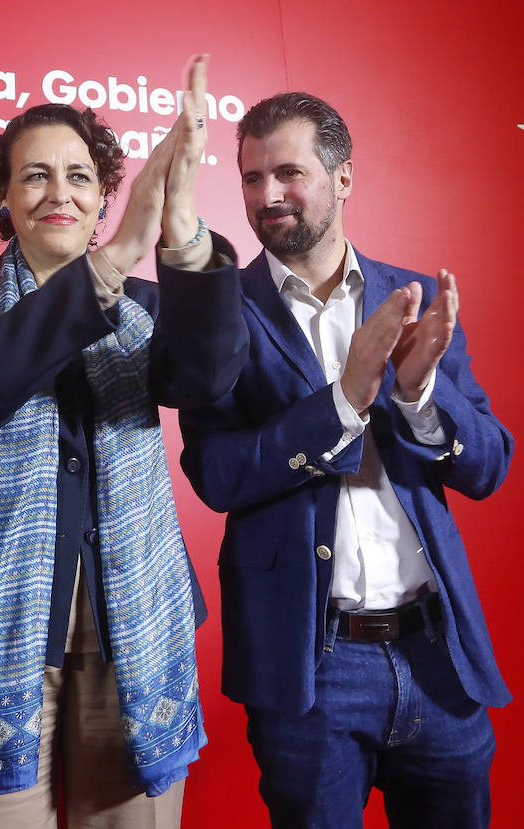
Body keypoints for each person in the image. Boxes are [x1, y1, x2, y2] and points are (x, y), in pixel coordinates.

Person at [0, 56, 247, 828]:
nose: (60, 192)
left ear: (103, 193)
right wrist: (116, 253)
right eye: (34, 176)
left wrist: (179, 216)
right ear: (2, 196)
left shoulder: (154, 303)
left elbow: (209, 378)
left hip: (136, 626)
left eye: (80, 175)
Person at [178, 92, 510, 828]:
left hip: (440, 658)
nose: (268, 195)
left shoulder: (413, 298)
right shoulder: (220, 313)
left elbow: (488, 467)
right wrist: (341, 403)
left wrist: (421, 393)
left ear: (344, 177)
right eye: (252, 177)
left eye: (289, 173)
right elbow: (216, 472)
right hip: (310, 665)